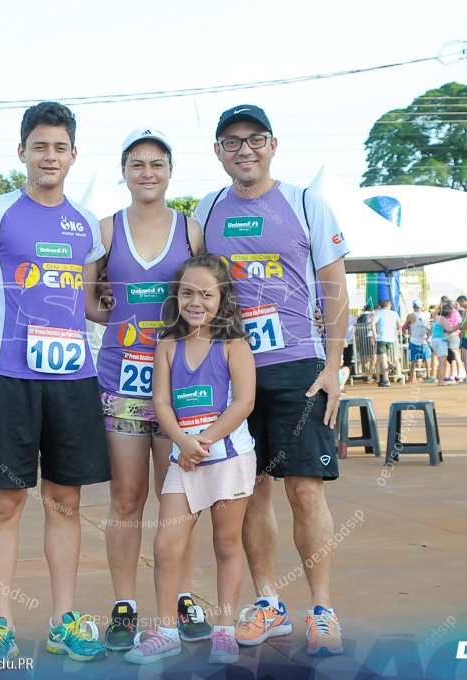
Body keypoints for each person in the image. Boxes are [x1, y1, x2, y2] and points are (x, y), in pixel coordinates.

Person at [192, 104, 351, 656]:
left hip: (297, 367)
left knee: (304, 489)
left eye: (255, 139)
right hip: (230, 373)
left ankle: (322, 609)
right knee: (249, 491)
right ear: (218, 152)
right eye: (232, 142)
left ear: (273, 144)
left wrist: (333, 365)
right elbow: (192, 284)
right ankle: (267, 602)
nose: (244, 150)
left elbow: (334, 289)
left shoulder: (307, 203)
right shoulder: (207, 210)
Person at [0, 102, 110, 663]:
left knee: (64, 502)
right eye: (39, 146)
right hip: (8, 377)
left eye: (60, 147)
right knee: (4, 503)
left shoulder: (87, 225)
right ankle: (0, 622)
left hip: (74, 379)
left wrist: (149, 304)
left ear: (73, 155)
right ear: (22, 151)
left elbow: (93, 305)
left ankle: (62, 618)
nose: (50, 156)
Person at [88, 128, 209, 650]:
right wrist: (114, 313)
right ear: (124, 171)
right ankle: (125, 606)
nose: (147, 173)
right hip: (122, 377)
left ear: (170, 171)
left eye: (156, 164)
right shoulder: (106, 230)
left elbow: (209, 294)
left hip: (181, 381)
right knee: (127, 494)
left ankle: (179, 598)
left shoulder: (193, 231)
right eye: (137, 164)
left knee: (180, 494)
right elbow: (87, 300)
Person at [124, 254, 255, 665]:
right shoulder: (167, 345)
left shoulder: (234, 344)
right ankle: (166, 631)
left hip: (228, 458)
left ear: (222, 298)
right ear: (176, 296)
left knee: (227, 543)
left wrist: (205, 441)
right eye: (186, 292)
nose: (195, 301)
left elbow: (245, 402)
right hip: (184, 461)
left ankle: (225, 631)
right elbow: (160, 401)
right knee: (166, 547)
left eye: (206, 294)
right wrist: (183, 443)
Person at [370, 299, 399, 387]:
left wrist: (375, 334)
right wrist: (396, 332)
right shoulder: (394, 313)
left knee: (382, 358)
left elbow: (372, 323)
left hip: (381, 337)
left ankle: (386, 379)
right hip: (391, 338)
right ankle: (390, 363)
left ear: (380, 306)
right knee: (384, 354)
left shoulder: (378, 313)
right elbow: (400, 325)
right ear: (389, 305)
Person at [404, 300, 434, 383]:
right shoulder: (426, 315)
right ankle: (428, 375)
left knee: (413, 360)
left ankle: (411, 377)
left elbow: (405, 326)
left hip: (414, 340)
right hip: (424, 339)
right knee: (427, 358)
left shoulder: (411, 316)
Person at [432, 304, 459, 387]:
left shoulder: (437, 319)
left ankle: (441, 379)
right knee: (442, 362)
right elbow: (449, 329)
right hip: (441, 341)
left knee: (441, 362)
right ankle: (441, 380)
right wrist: (458, 326)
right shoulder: (443, 319)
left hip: (435, 341)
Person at [445, 296, 464, 382]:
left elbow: (452, 326)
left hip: (453, 335)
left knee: (454, 355)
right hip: (452, 335)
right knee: (456, 355)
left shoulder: (454, 314)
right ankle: (456, 375)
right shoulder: (455, 313)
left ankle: (454, 375)